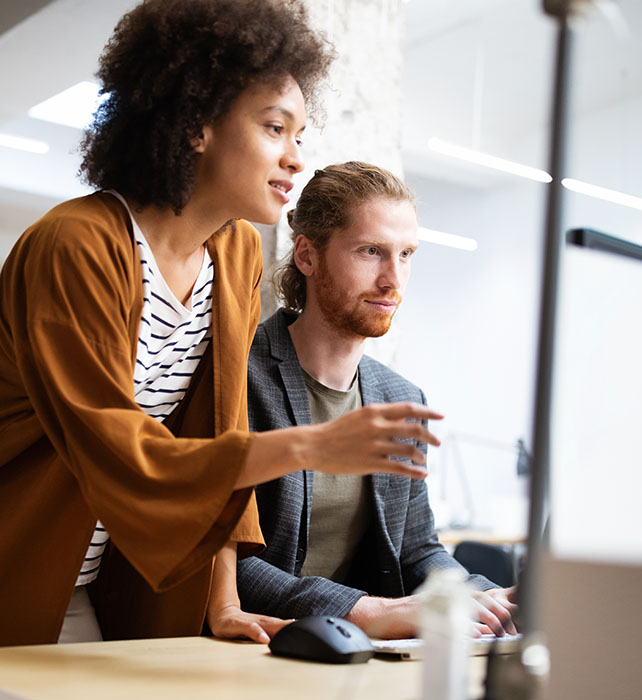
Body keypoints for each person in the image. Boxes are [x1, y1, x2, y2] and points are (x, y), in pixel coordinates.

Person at [0, 2, 442, 647]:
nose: (294, 159)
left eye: (298, 135)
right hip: (20, 557)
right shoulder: (76, 244)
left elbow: (217, 428)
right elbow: (118, 453)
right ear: (196, 124)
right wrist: (309, 445)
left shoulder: (232, 252)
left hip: (103, 576)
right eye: (273, 128)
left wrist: (226, 604)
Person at [207, 163, 517, 643]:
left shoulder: (401, 397)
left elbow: (416, 551)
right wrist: (363, 609)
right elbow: (223, 560)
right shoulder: (238, 377)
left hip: (354, 654)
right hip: (258, 645)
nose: (394, 279)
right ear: (307, 256)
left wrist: (482, 597)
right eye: (372, 251)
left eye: (407, 254)